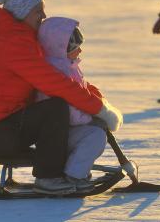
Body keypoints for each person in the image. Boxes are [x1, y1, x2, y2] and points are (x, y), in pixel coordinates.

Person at [0, 0, 122, 195]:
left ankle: (67, 168)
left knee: (55, 107)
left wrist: (93, 99)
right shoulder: (14, 44)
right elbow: (55, 83)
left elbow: (63, 77)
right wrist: (97, 109)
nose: (43, 16)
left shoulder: (20, 38)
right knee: (55, 106)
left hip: (2, 128)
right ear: (22, 13)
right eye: (37, 11)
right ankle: (49, 178)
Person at [35, 16, 117, 193]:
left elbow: (82, 89)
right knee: (94, 137)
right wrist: (91, 116)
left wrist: (96, 101)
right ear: (60, 48)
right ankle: (75, 175)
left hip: (66, 128)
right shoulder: (56, 71)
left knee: (94, 133)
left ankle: (77, 172)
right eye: (74, 47)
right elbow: (68, 109)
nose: (80, 51)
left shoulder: (67, 65)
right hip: (61, 131)